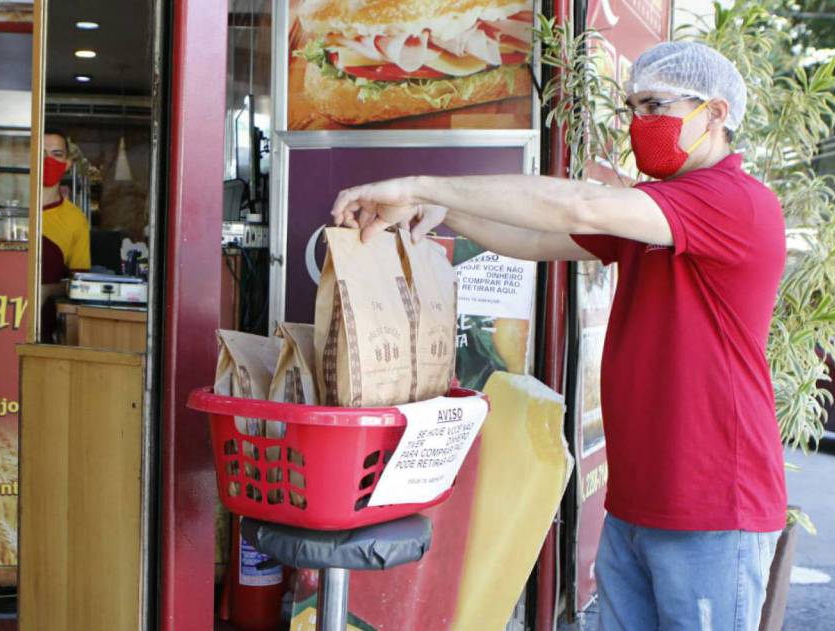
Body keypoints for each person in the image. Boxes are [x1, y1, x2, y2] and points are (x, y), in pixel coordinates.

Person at [330, 41, 786, 631]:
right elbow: (544, 242)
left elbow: (579, 209)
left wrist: (422, 186)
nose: (639, 124)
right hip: (640, 502)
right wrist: (444, 216)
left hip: (714, 510)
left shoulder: (733, 202)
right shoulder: (663, 210)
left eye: (654, 105)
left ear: (716, 114)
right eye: (632, 108)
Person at [41, 130, 91, 342]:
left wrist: (46, 290)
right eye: (41, 153)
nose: (48, 160)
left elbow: (80, 282)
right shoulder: (6, 211)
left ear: (67, 164)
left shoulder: (75, 219)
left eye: (56, 154)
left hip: (44, 326)